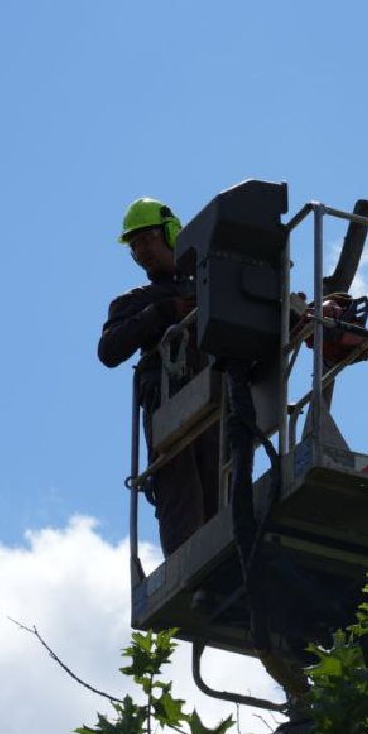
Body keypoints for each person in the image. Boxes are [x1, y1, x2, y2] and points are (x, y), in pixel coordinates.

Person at [99, 198, 220, 557]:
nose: (141, 250)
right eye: (134, 245)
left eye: (147, 238)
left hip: (217, 399)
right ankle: (187, 569)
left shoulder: (210, 283)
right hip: (168, 407)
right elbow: (109, 351)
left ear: (170, 233)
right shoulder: (135, 302)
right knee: (179, 489)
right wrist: (162, 314)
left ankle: (225, 568)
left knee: (221, 483)